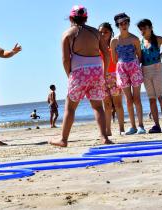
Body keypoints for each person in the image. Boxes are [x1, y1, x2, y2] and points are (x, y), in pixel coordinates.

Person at [50, 5, 113, 147]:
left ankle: (63, 139)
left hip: (79, 72)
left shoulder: (67, 34)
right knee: (97, 106)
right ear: (86, 18)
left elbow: (65, 59)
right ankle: (104, 137)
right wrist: (104, 72)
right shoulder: (96, 33)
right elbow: (106, 54)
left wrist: (70, 75)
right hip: (96, 70)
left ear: (71, 18)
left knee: (70, 107)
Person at [137, 19, 162, 133]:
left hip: (157, 69)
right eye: (141, 29)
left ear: (150, 28)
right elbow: (139, 57)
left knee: (161, 97)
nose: (142, 31)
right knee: (151, 99)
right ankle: (157, 126)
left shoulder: (157, 39)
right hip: (145, 70)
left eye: (144, 28)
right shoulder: (140, 41)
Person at [110, 13, 146, 135]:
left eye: (125, 23)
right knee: (128, 99)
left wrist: (133, 65)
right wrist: (123, 64)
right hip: (121, 68)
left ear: (128, 23)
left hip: (134, 67)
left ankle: (141, 126)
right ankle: (133, 127)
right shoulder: (114, 41)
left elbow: (140, 56)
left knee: (137, 98)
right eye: (121, 24)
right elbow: (114, 59)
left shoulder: (135, 39)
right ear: (117, 25)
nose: (124, 25)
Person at [98, 22, 125, 136]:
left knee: (118, 104)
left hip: (115, 76)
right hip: (102, 77)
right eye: (101, 32)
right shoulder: (96, 46)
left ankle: (121, 129)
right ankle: (108, 130)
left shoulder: (115, 44)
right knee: (107, 105)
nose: (103, 34)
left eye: (106, 32)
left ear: (110, 32)